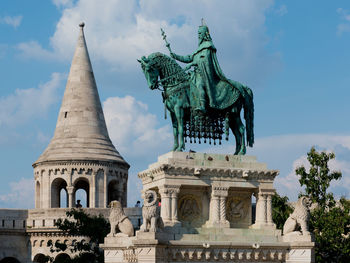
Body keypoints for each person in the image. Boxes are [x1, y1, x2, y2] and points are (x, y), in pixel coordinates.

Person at [170, 20, 226, 113]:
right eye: (198, 33)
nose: (198, 35)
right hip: (195, 74)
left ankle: (203, 105)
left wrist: (193, 63)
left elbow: (205, 60)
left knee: (200, 85)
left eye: (200, 33)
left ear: (205, 34)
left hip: (204, 74)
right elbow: (189, 58)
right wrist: (175, 56)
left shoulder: (208, 46)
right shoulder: (199, 49)